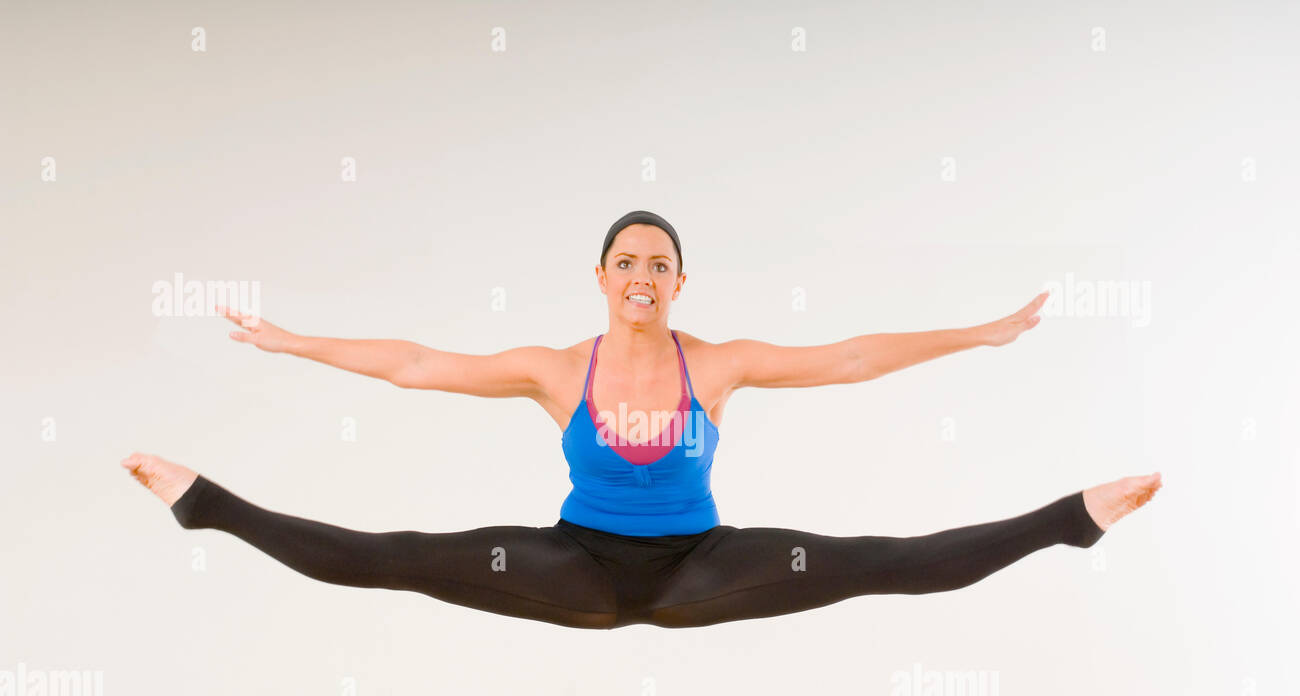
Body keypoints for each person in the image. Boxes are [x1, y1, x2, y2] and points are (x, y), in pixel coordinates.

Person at [122, 210, 1162, 629]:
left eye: (659, 263)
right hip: (573, 565)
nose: (642, 275)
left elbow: (848, 356)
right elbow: (415, 363)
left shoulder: (714, 363)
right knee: (400, 553)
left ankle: (1069, 519)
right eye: (627, 260)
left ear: (676, 283)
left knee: (873, 560)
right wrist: (290, 339)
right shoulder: (551, 370)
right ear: (601, 276)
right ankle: (205, 504)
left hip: (697, 568)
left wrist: (976, 335)